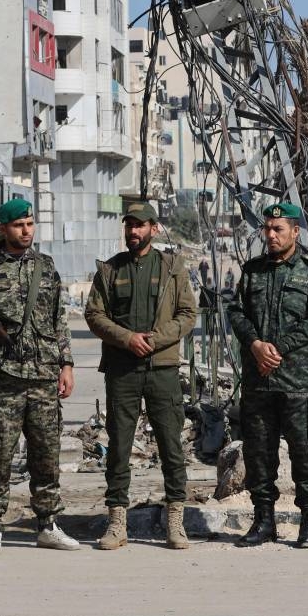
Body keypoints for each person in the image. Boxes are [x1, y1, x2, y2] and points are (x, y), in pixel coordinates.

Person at [0, 198, 79, 555]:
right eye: (19, 225)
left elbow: (59, 320)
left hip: (42, 377)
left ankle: (48, 523)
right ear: (3, 229)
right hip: (1, 377)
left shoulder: (46, 266)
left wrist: (66, 365)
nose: (26, 231)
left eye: (30, 224)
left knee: (46, 454)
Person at [84, 202, 197, 551]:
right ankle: (117, 522)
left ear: (154, 228)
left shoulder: (171, 267)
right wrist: (126, 339)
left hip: (162, 369)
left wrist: (156, 340)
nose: (134, 231)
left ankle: (175, 521)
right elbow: (94, 315)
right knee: (118, 447)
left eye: (140, 225)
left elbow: (188, 312)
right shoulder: (109, 270)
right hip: (123, 370)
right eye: (129, 225)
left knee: (170, 446)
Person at [226, 202, 308, 549]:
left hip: (297, 383)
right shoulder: (253, 271)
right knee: (259, 453)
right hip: (259, 382)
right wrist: (256, 345)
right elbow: (236, 312)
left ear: (295, 232)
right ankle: (264, 521)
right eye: (267, 229)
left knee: (305, 453)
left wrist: (278, 349)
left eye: (278, 230)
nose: (270, 235)